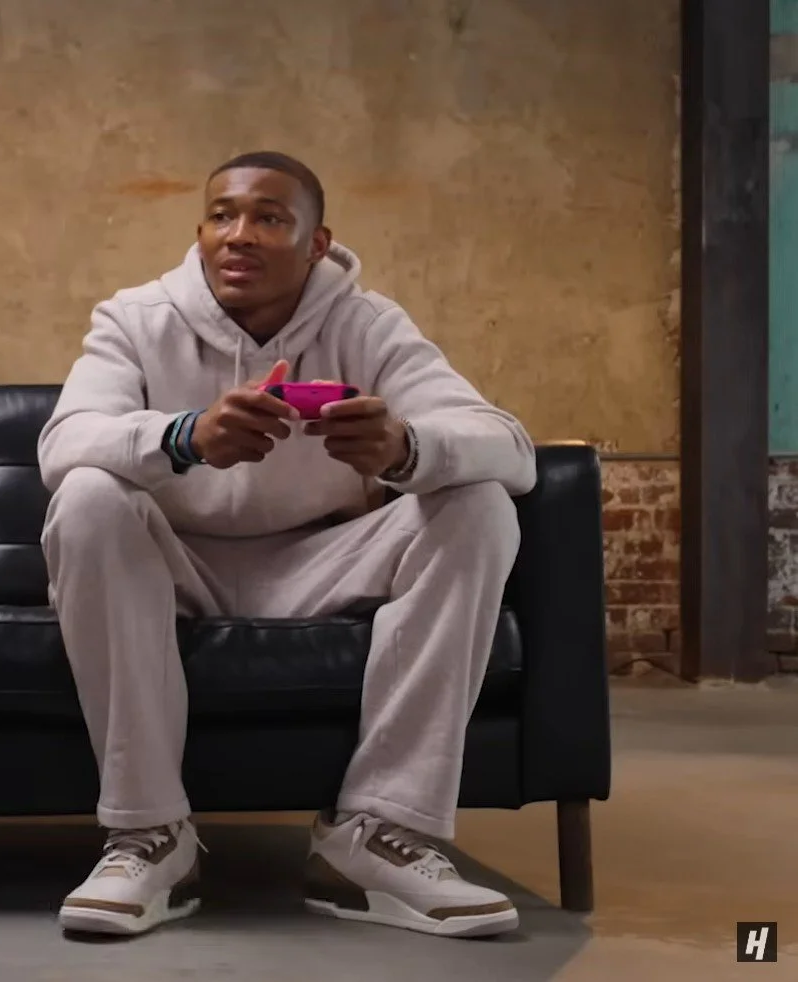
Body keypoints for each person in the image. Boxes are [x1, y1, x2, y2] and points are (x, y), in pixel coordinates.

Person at [37, 151, 536, 940]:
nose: (238, 235)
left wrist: (406, 447)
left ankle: (375, 835)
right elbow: (64, 443)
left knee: (478, 502)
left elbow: (511, 447)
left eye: (269, 217)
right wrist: (183, 436)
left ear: (316, 242)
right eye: (221, 215)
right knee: (88, 494)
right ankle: (148, 834)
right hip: (177, 563)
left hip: (320, 564)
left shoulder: (366, 323)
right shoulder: (134, 317)